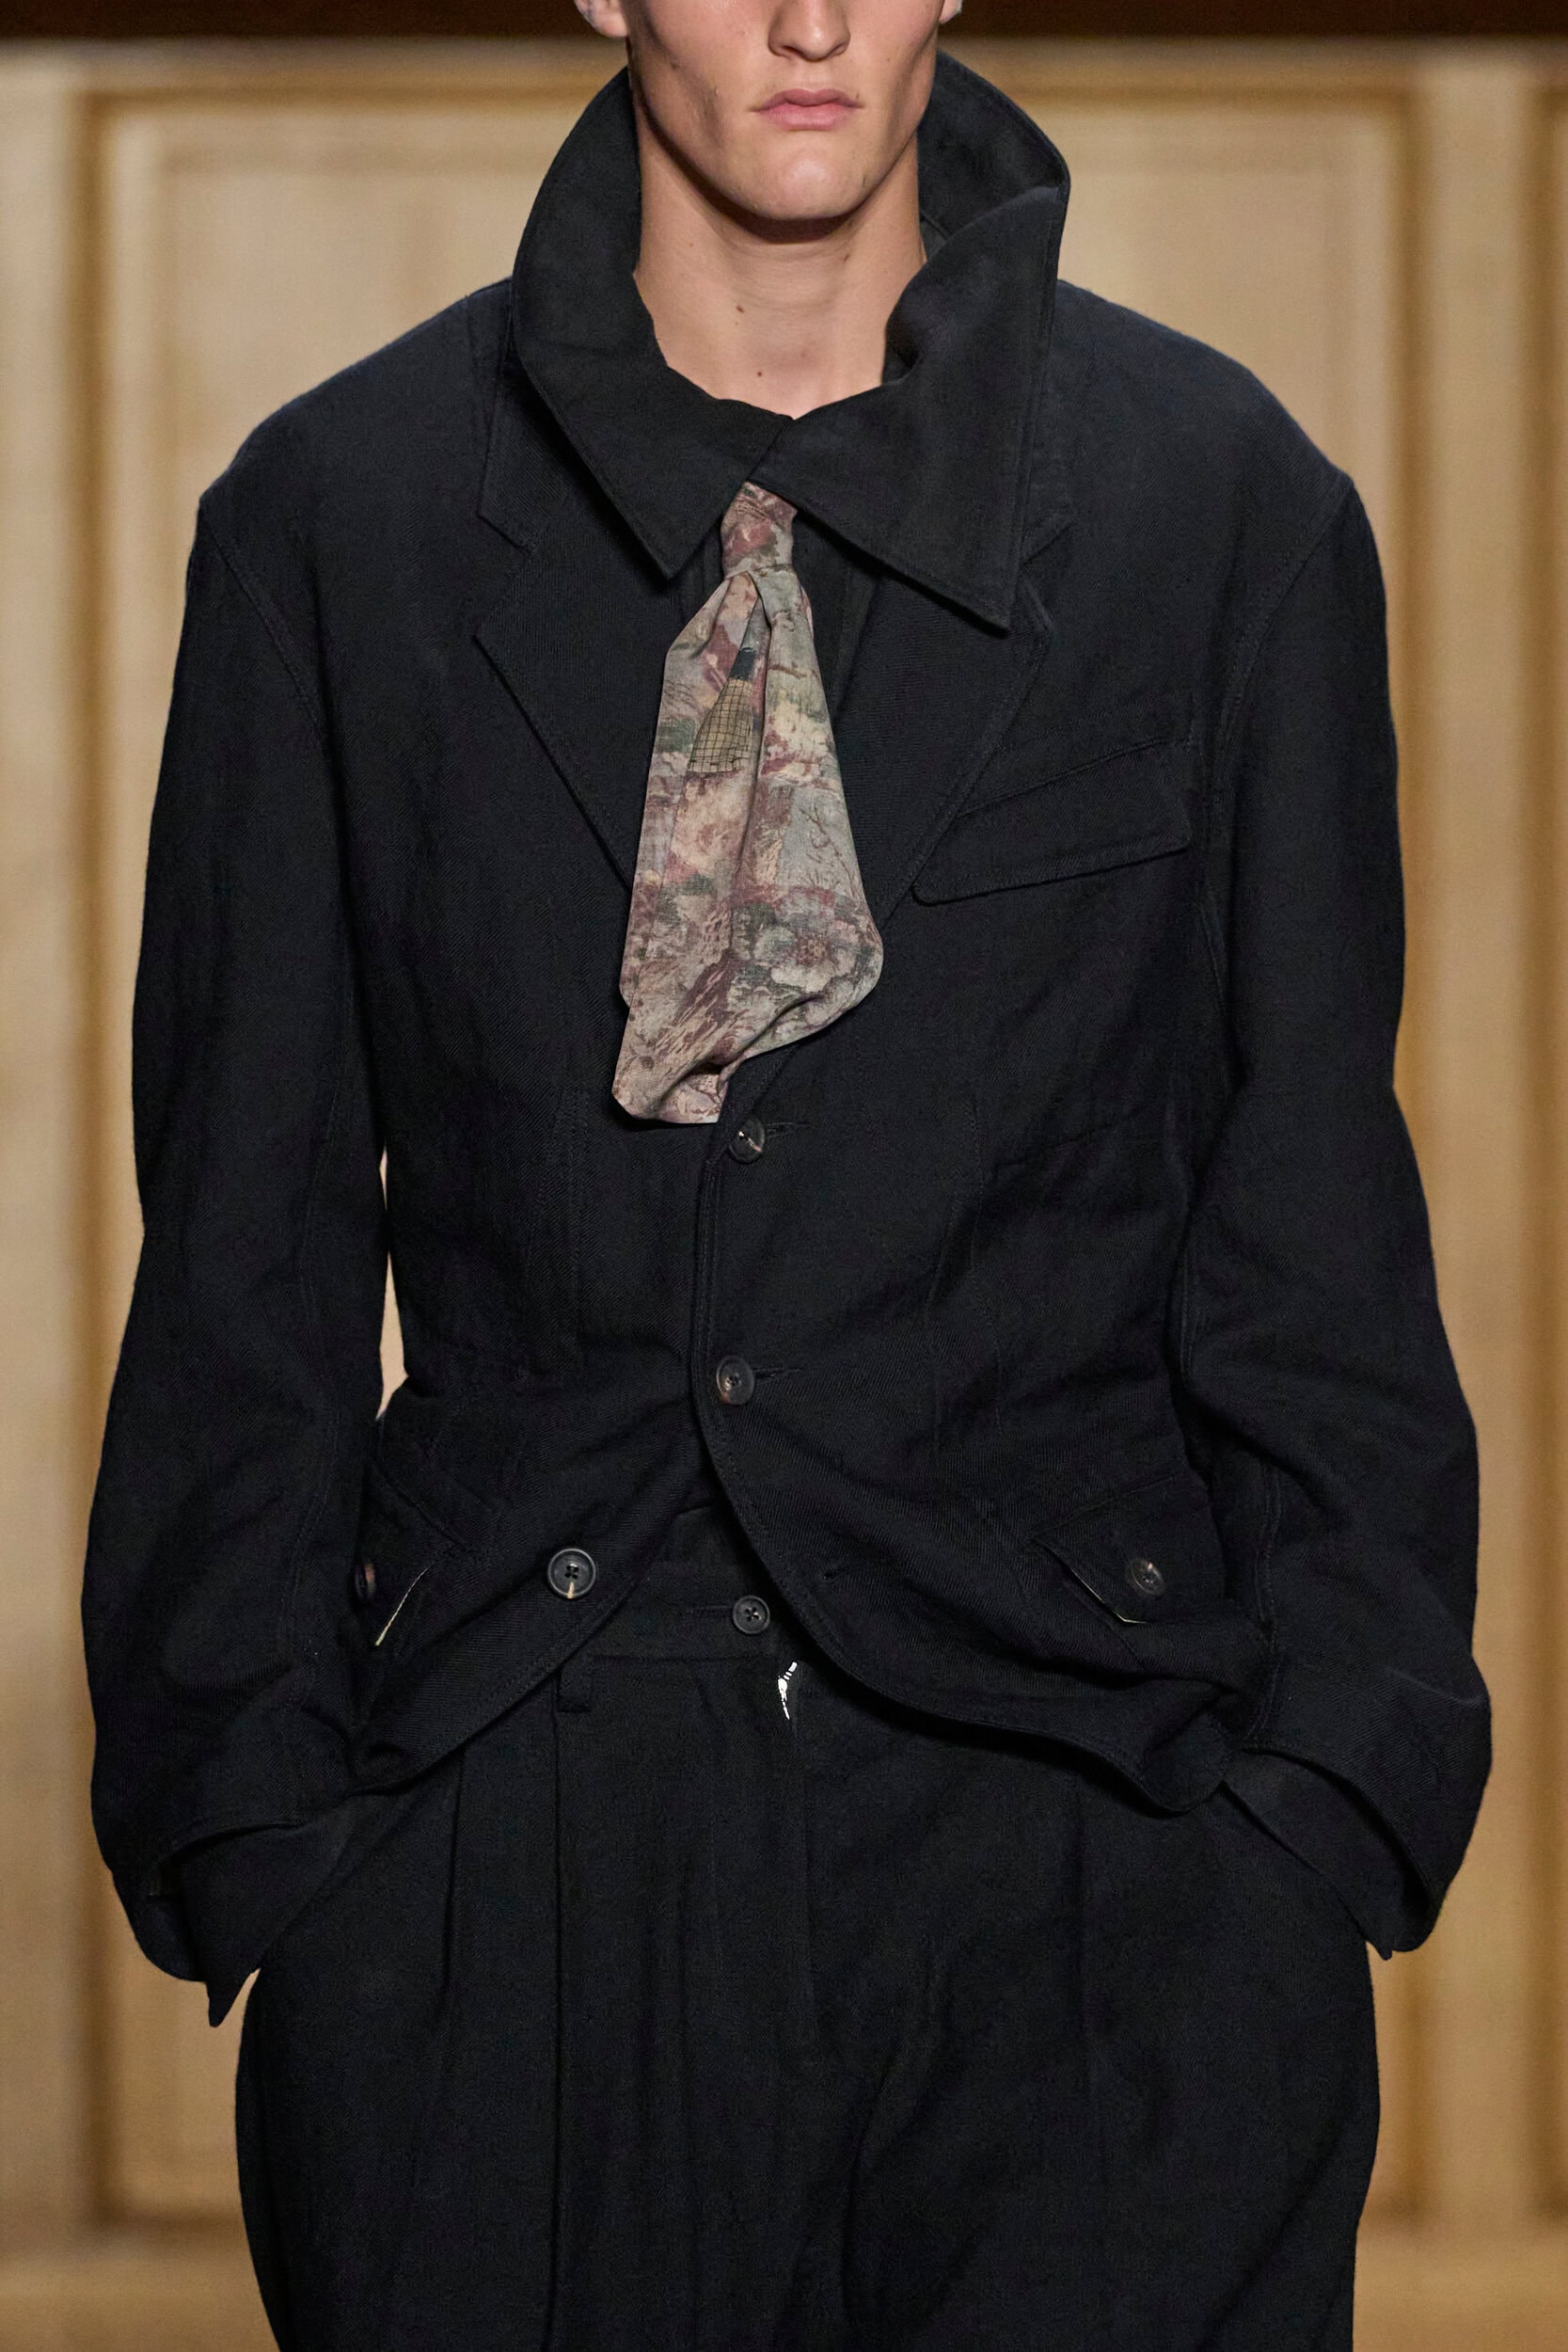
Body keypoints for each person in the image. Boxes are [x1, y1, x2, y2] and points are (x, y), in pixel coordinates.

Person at [82, 0, 1490, 2341]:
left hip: (1098, 1860)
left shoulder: (1215, 509)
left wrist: (1319, 1812)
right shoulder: (343, 522)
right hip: (514, 1873)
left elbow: (1314, 1218)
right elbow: (246, 1237)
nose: (813, 18)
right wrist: (275, 1848)